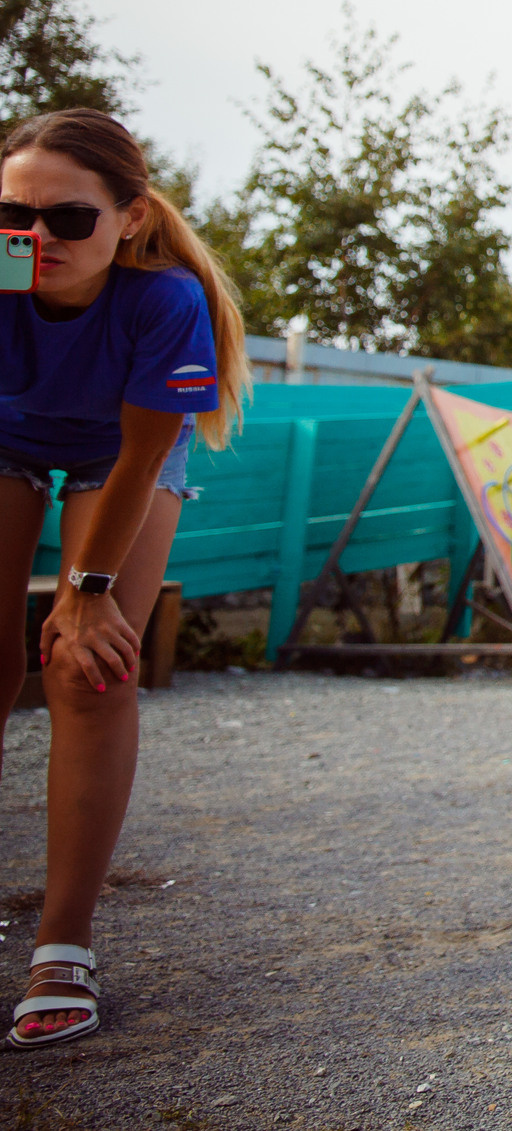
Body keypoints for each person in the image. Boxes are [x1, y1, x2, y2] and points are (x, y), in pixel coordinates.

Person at [0, 110, 249, 1048]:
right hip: (5, 433)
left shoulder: (164, 300)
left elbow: (144, 451)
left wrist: (87, 585)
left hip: (121, 451)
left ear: (131, 217)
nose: (34, 239)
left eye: (69, 219)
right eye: (11, 215)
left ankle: (63, 940)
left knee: (85, 667)